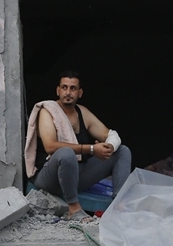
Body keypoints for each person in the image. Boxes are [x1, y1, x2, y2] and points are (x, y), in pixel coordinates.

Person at [24, 71, 132, 220]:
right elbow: (50, 146)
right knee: (66, 153)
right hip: (48, 176)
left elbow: (111, 134)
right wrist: (93, 149)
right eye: (64, 87)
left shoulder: (82, 112)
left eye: (73, 88)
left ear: (80, 93)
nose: (68, 92)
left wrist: (109, 147)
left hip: (76, 175)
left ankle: (120, 204)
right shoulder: (47, 110)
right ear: (58, 90)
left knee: (122, 151)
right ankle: (74, 208)